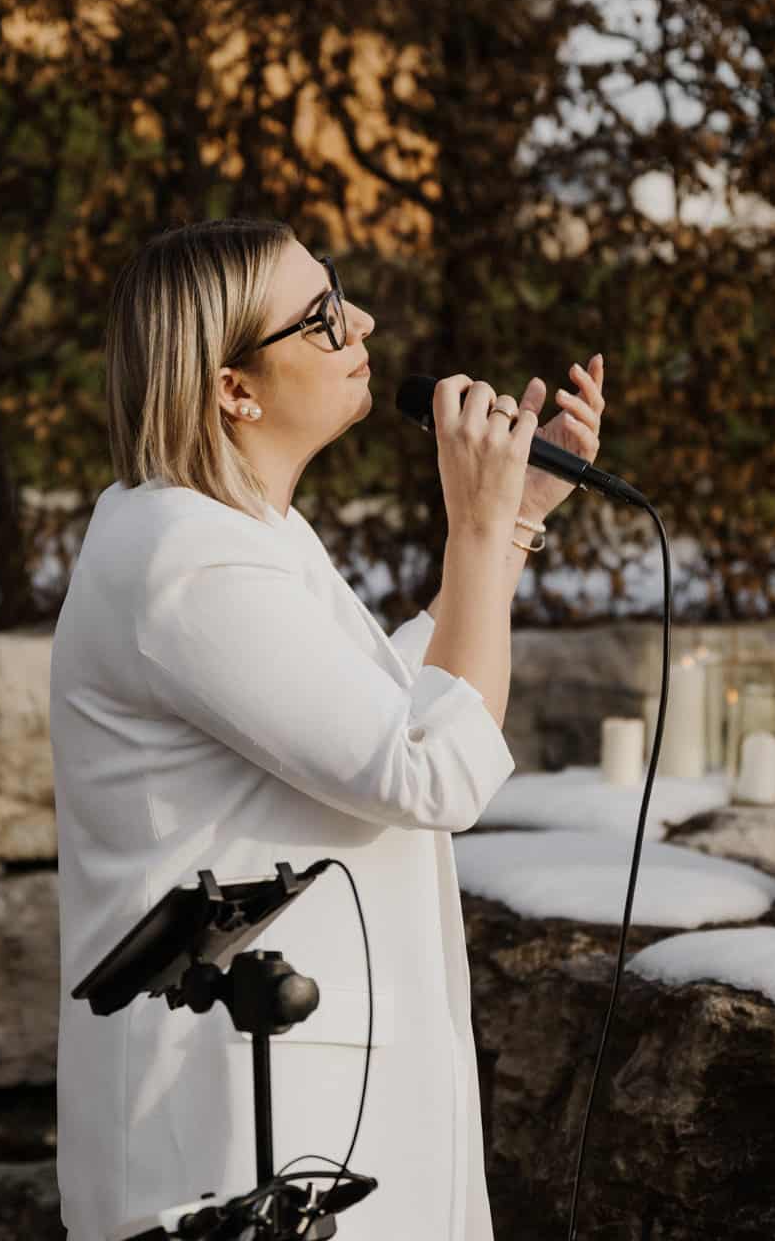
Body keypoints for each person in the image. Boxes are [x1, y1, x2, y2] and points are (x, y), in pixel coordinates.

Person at [49, 217, 606, 1240]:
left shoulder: (240, 530)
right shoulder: (186, 558)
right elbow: (429, 767)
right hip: (242, 1113)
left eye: (337, 292)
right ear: (231, 387)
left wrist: (515, 518)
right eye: (318, 316)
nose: (362, 320)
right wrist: (476, 530)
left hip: (310, 1088)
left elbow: (381, 703)